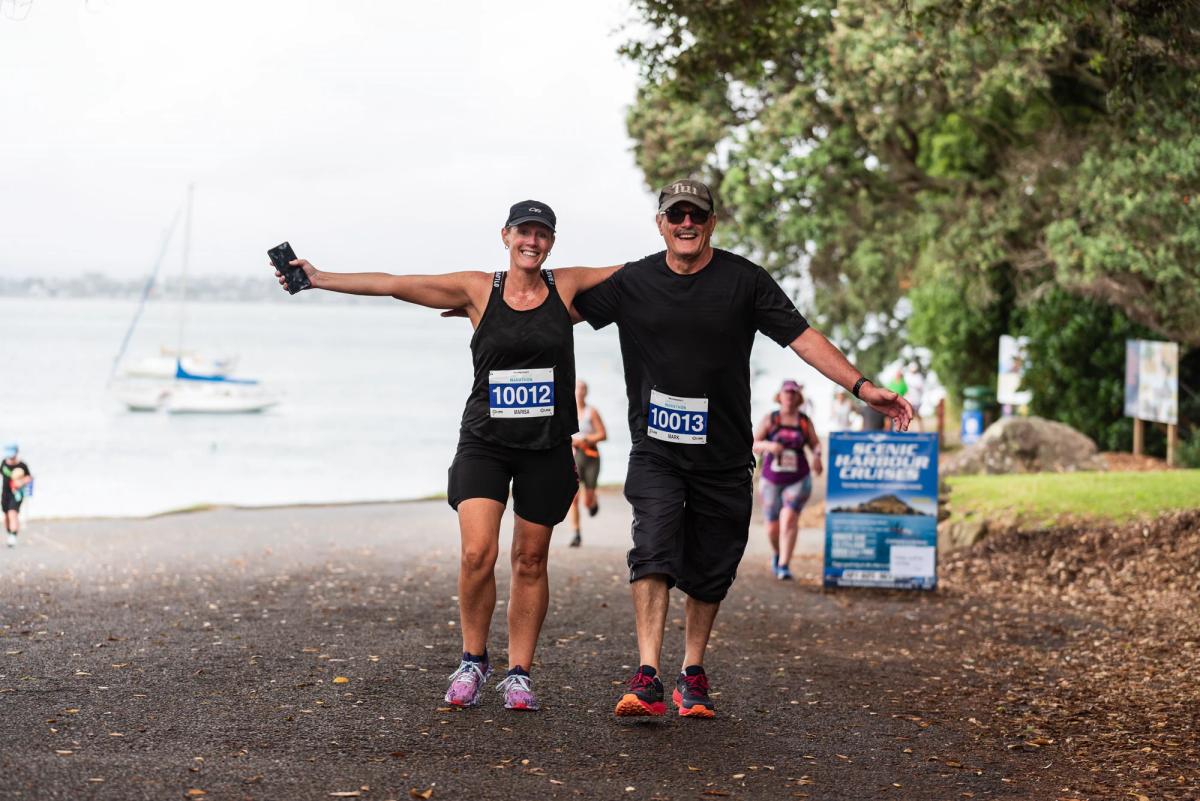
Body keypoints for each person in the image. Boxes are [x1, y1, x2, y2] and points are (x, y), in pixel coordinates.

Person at [571, 178, 912, 719]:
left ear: (711, 223)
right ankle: (647, 675)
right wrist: (496, 312)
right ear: (660, 223)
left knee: (710, 568)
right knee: (653, 551)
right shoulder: (632, 282)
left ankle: (693, 673)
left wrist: (863, 387)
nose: (687, 223)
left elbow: (803, 338)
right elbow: (550, 308)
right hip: (656, 450)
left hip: (724, 457)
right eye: (676, 214)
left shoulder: (744, 281)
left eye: (697, 216)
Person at [274, 201, 619, 711]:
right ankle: (472, 661)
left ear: (551, 242)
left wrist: (696, 252)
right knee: (477, 553)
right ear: (505, 235)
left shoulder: (566, 286)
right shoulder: (479, 288)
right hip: (486, 441)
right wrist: (320, 277)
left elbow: (642, 276)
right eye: (523, 231)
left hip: (546, 446)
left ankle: (520, 674)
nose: (532, 240)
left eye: (542, 234)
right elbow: (394, 283)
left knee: (530, 559)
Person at [752, 380, 822, 580]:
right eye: (786, 393)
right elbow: (754, 443)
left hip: (798, 477)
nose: (790, 396)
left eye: (793, 393)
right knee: (772, 525)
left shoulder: (804, 421)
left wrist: (817, 456)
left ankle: (784, 564)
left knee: (789, 518)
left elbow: (815, 444)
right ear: (780, 396)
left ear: (798, 397)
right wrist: (769, 446)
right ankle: (777, 553)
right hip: (771, 478)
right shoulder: (771, 419)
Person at [567, 379, 607, 547]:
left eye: (583, 389)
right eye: (577, 388)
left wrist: (585, 439)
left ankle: (593, 500)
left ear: (586, 392)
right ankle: (576, 534)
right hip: (573, 457)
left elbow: (603, 434)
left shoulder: (592, 412)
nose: (580, 392)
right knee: (574, 498)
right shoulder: (567, 412)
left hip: (591, 457)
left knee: (586, 501)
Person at [2, 444, 33, 548]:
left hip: (17, 494)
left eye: (12, 455)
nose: (11, 458)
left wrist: (22, 481)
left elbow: (29, 477)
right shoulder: (3, 464)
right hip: (5, 494)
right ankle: (10, 533)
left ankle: (13, 537)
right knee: (6, 516)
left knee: (12, 513)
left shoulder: (22, 465)